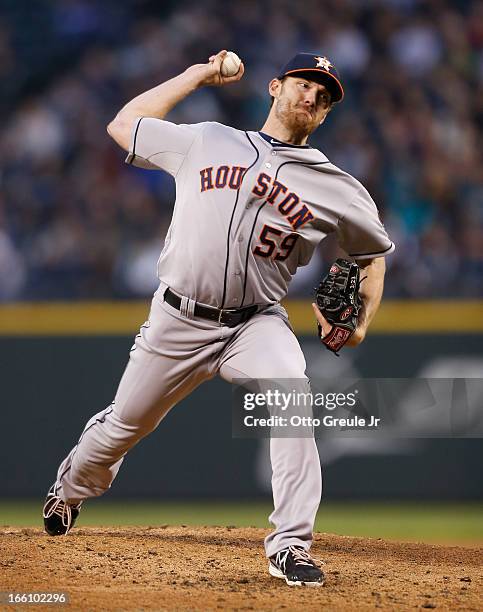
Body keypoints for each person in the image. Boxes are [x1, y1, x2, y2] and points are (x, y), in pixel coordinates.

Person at [43, 51, 394, 587]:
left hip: (256, 323)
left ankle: (290, 545)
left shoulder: (337, 187)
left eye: (323, 97)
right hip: (178, 317)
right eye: (304, 84)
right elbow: (124, 125)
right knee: (124, 427)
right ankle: (69, 492)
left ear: (325, 115)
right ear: (275, 87)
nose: (312, 97)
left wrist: (362, 319)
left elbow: (372, 256)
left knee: (292, 398)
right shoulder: (208, 139)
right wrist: (199, 74)